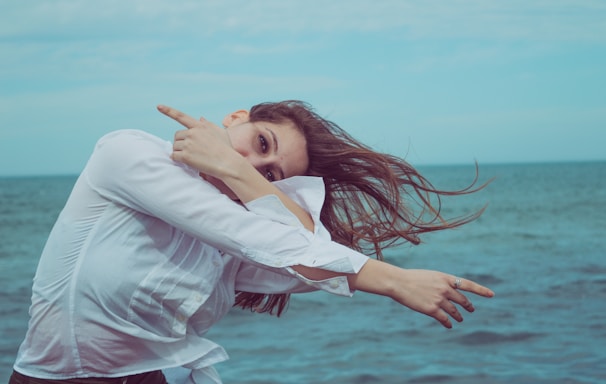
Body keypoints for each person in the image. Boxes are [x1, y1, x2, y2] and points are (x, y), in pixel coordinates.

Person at [10, 101, 493, 384]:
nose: (254, 166)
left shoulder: (240, 230)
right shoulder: (130, 154)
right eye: (261, 144)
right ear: (237, 117)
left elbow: (301, 258)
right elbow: (258, 235)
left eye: (272, 175)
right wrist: (391, 280)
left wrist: (238, 171)